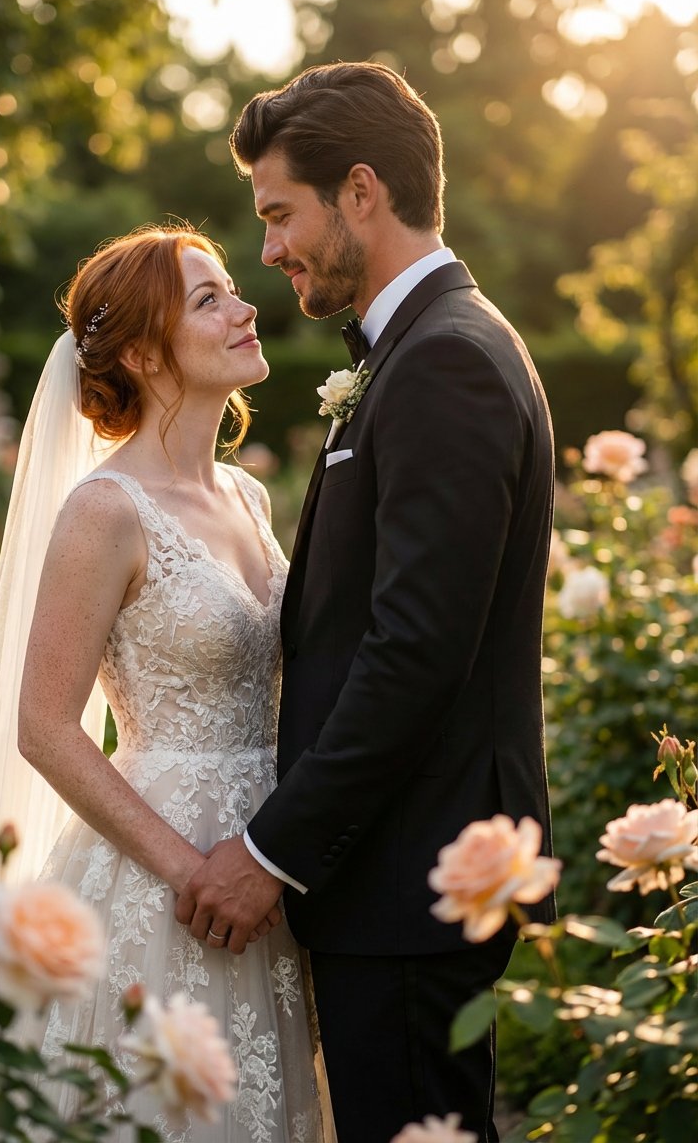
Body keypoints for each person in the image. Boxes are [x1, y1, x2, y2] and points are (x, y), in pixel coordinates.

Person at [174, 62, 556, 1143]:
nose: (268, 252)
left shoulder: (444, 362)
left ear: (358, 191)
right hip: (389, 871)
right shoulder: (415, 353)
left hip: (408, 873)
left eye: (277, 213)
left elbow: (413, 652)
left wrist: (269, 850)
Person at [0, 224, 331, 1142]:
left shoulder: (247, 497)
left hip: (267, 852)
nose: (246, 306)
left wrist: (270, 854)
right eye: (209, 298)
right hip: (164, 875)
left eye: (231, 289)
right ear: (142, 352)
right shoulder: (105, 511)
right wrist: (195, 872)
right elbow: (46, 726)